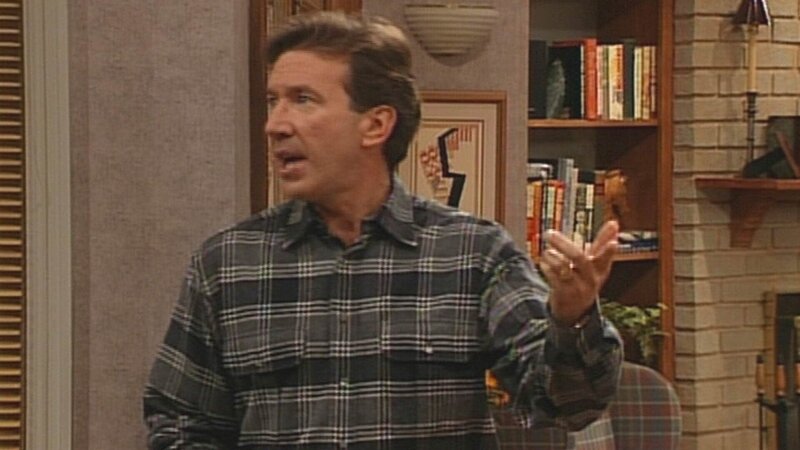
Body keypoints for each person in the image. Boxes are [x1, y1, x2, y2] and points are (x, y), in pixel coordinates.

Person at [143, 11, 622, 450]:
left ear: (375, 125)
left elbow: (567, 405)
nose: (275, 125)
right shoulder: (228, 264)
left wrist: (573, 318)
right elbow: (181, 424)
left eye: (302, 100)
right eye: (273, 101)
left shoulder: (473, 254)